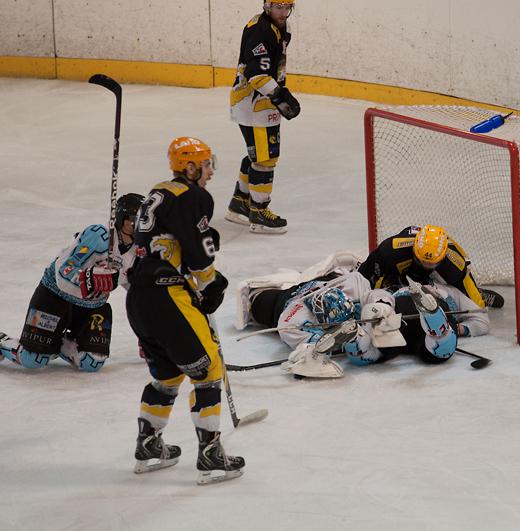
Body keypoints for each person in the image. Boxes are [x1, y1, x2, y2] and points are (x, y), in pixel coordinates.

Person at [126, 137, 244, 485]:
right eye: (206, 164)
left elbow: (170, 240)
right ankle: (211, 454)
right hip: (168, 297)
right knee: (209, 370)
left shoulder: (160, 192)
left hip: (139, 298)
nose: (210, 171)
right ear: (190, 167)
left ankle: (148, 444)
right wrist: (209, 284)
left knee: (167, 375)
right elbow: (197, 251)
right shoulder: (193, 196)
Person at [236, 252, 489, 376]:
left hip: (393, 320)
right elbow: (369, 291)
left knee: (434, 349)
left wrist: (381, 308)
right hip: (391, 330)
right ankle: (359, 337)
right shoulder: (292, 316)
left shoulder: (292, 319)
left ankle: (432, 321)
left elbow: (372, 293)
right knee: (364, 353)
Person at [0, 193, 145, 372]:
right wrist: (91, 279)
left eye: (142, 219)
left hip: (91, 307)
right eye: (133, 219)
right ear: (121, 219)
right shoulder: (98, 237)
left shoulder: (139, 251)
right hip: (55, 297)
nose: (138, 224)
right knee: (33, 359)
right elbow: (62, 272)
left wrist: (148, 335)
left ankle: (57, 343)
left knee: (92, 362)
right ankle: (2, 342)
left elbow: (139, 294)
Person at [227, 0, 301, 234]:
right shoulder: (260, 31)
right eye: (278, 7)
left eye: (287, 8)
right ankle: (259, 213)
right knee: (266, 158)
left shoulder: (278, 26)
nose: (283, 12)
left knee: (257, 154)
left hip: (259, 102)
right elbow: (256, 74)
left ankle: (240, 203)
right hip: (255, 104)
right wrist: (279, 96)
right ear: (267, 6)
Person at [358, 224, 505, 309]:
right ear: (414, 250)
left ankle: (481, 293)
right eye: (422, 261)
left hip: (437, 275)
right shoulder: (390, 252)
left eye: (431, 263)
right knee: (374, 287)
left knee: (467, 297)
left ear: (442, 257)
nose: (426, 265)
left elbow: (474, 305)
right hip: (400, 268)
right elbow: (364, 275)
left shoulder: (454, 266)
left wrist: (477, 302)